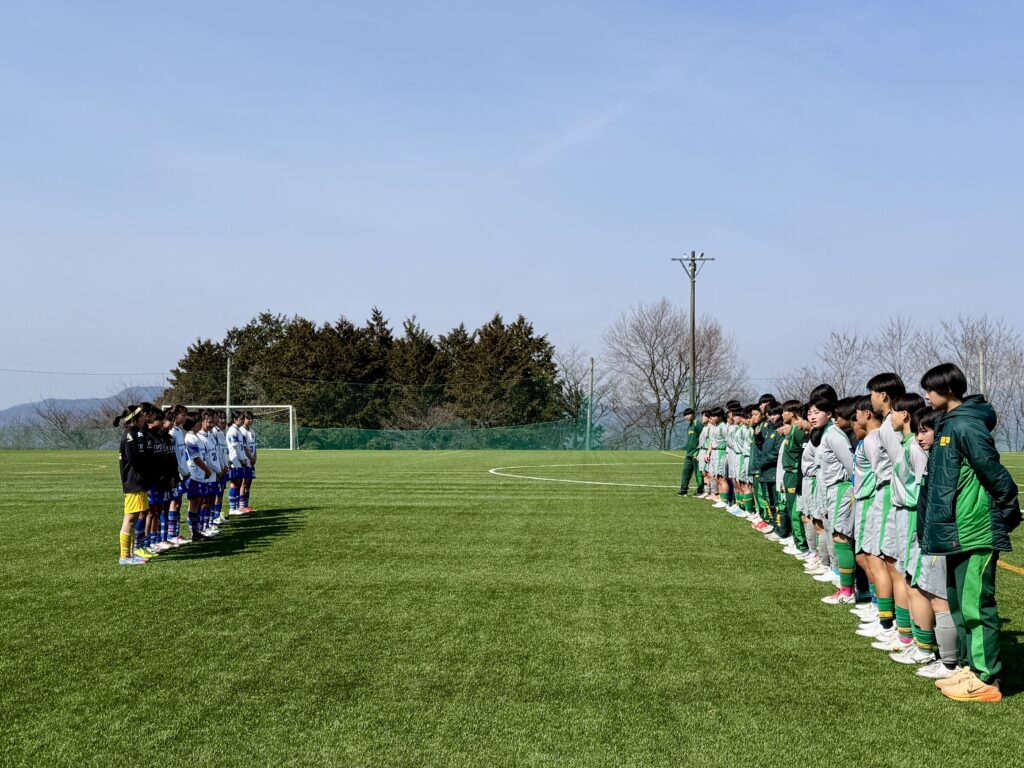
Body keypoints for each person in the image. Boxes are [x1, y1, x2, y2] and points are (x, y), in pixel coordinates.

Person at [920, 363, 1020, 702]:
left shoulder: (966, 424)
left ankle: (986, 678)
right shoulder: (947, 424)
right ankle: (968, 667)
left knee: (977, 605)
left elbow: (994, 471)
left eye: (930, 389)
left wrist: (1008, 510)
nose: (926, 395)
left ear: (948, 390)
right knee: (960, 604)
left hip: (974, 528)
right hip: (955, 530)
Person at [115, 404, 157, 565]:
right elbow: (135, 460)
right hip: (133, 483)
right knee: (130, 518)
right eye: (141, 417)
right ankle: (124, 556)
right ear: (135, 419)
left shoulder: (135, 433)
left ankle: (131, 554)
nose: (144, 419)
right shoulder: (130, 435)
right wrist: (147, 471)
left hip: (139, 482)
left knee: (137, 515)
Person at [677, 408, 705, 497]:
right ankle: (683, 490)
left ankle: (700, 490)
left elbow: (704, 437)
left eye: (689, 414)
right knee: (685, 472)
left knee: (698, 473)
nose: (687, 417)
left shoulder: (697, 424)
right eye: (685, 415)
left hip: (696, 453)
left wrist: (699, 451)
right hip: (689, 454)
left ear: (693, 414)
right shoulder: (690, 426)